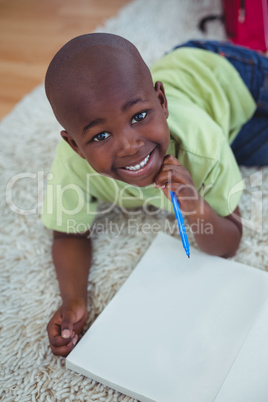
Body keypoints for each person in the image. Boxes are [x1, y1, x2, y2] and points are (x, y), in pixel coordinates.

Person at [42, 33, 268, 356]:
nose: (130, 145)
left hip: (224, 71)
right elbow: (67, 234)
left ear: (161, 102)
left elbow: (230, 241)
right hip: (227, 123)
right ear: (75, 146)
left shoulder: (200, 145)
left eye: (139, 116)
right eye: (101, 135)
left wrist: (194, 204)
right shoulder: (72, 166)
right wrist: (73, 300)